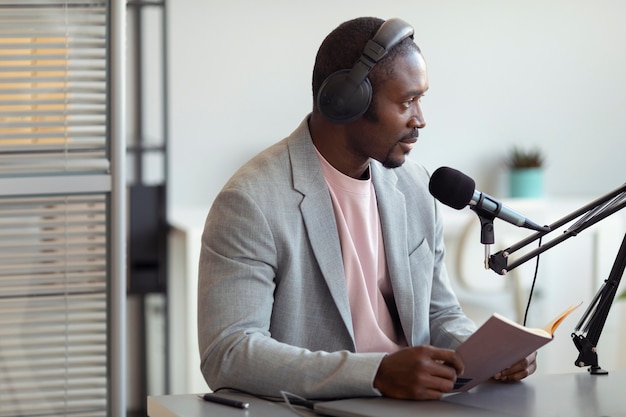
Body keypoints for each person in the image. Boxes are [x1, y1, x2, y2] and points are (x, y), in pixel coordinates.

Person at [197, 16, 537, 401]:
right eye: (407, 101)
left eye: (421, 99)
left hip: (417, 406)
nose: (420, 120)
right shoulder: (251, 202)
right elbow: (227, 352)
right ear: (346, 100)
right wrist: (375, 374)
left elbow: (439, 315)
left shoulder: (417, 188)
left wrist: (489, 352)